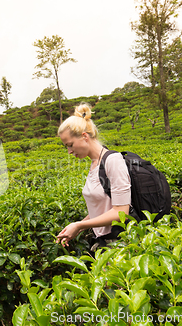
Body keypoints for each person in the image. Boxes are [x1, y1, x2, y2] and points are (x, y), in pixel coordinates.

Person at [56, 103, 131, 249]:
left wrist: (79, 225)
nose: (69, 151)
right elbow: (103, 209)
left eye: (70, 145)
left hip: (119, 246)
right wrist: (78, 228)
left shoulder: (113, 160)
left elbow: (121, 211)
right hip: (103, 244)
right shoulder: (95, 164)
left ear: (84, 136)